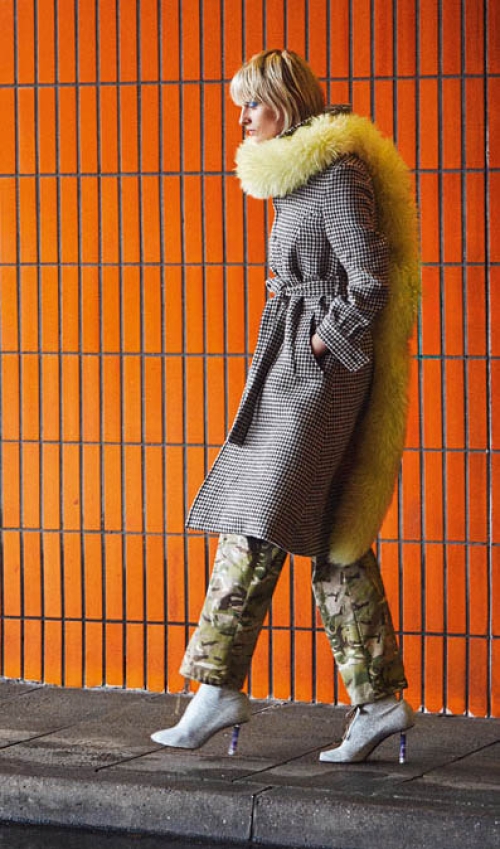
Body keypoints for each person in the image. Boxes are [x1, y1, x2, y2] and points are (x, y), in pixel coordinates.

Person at [151, 49, 420, 763]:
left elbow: (371, 279)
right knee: (335, 540)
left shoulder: (334, 172)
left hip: (317, 379)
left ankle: (215, 688)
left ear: (286, 102)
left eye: (253, 104)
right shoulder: (297, 176)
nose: (242, 119)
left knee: (256, 519)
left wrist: (320, 346)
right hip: (295, 365)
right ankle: (379, 701)